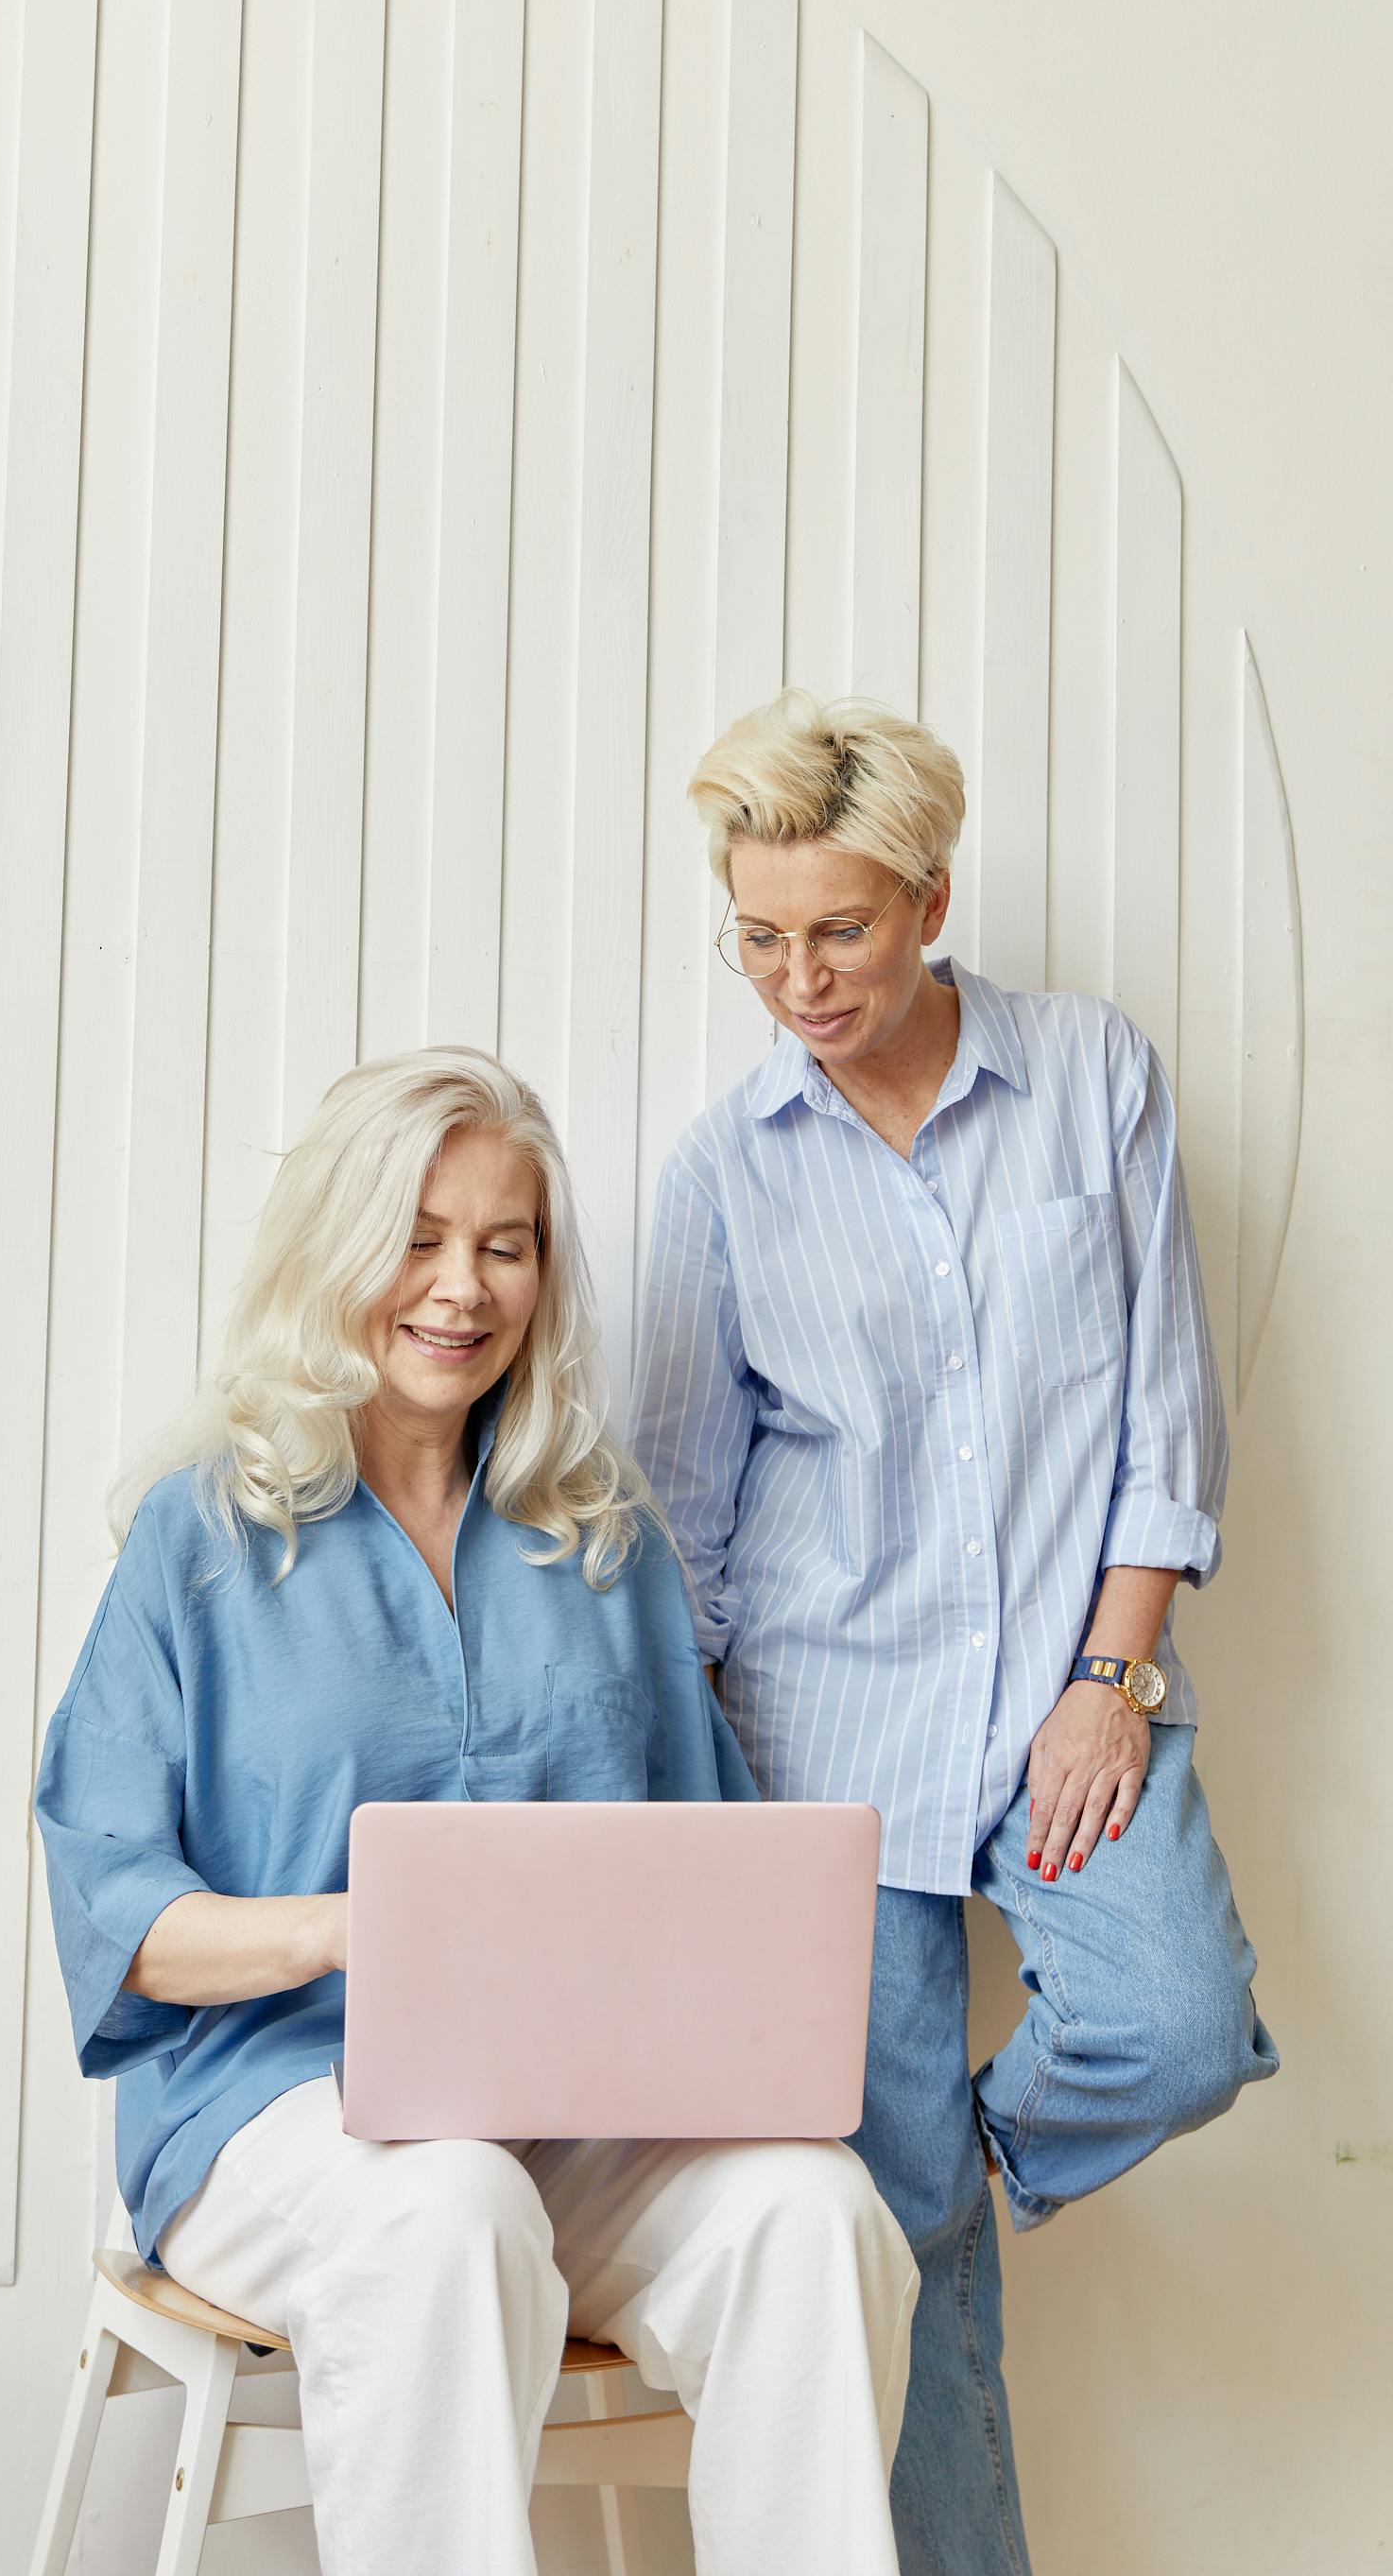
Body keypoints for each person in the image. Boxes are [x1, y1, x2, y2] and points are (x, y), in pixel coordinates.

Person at [36, 1046, 916, 2576]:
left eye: (505, 1245)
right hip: (277, 2115)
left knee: (816, 2214)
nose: (462, 1288)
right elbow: (123, 1912)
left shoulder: (600, 1536)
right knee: (447, 2211)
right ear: (336, 1251)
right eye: (419, 1238)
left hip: (569, 2126)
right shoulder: (202, 1539)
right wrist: (350, 1935)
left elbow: (704, 1863)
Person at [633, 693, 1279, 2576]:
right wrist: (698, 1826)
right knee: (897, 2270)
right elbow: (686, 1518)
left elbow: (1164, 1412)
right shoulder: (724, 1169)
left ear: (927, 894)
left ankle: (945, 2176)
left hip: (1071, 1694)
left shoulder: (1090, 1076)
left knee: (1168, 2024)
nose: (797, 977)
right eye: (757, 935)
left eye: (836, 928)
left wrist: (1110, 1683)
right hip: (822, 1741)